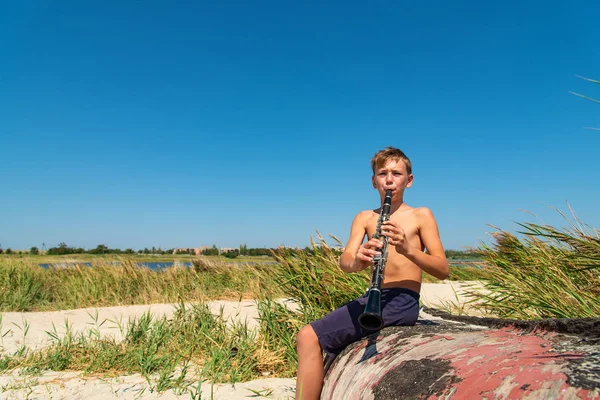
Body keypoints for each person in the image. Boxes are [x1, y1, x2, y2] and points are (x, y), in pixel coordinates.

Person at [295, 146, 449, 400]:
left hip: (402, 300)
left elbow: (442, 270)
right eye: (382, 173)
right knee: (312, 337)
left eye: (396, 174)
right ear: (373, 181)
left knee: (307, 335)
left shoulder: (421, 215)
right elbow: (345, 261)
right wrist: (360, 260)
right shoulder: (365, 217)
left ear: (408, 181)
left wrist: (408, 249)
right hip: (374, 296)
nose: (389, 180)